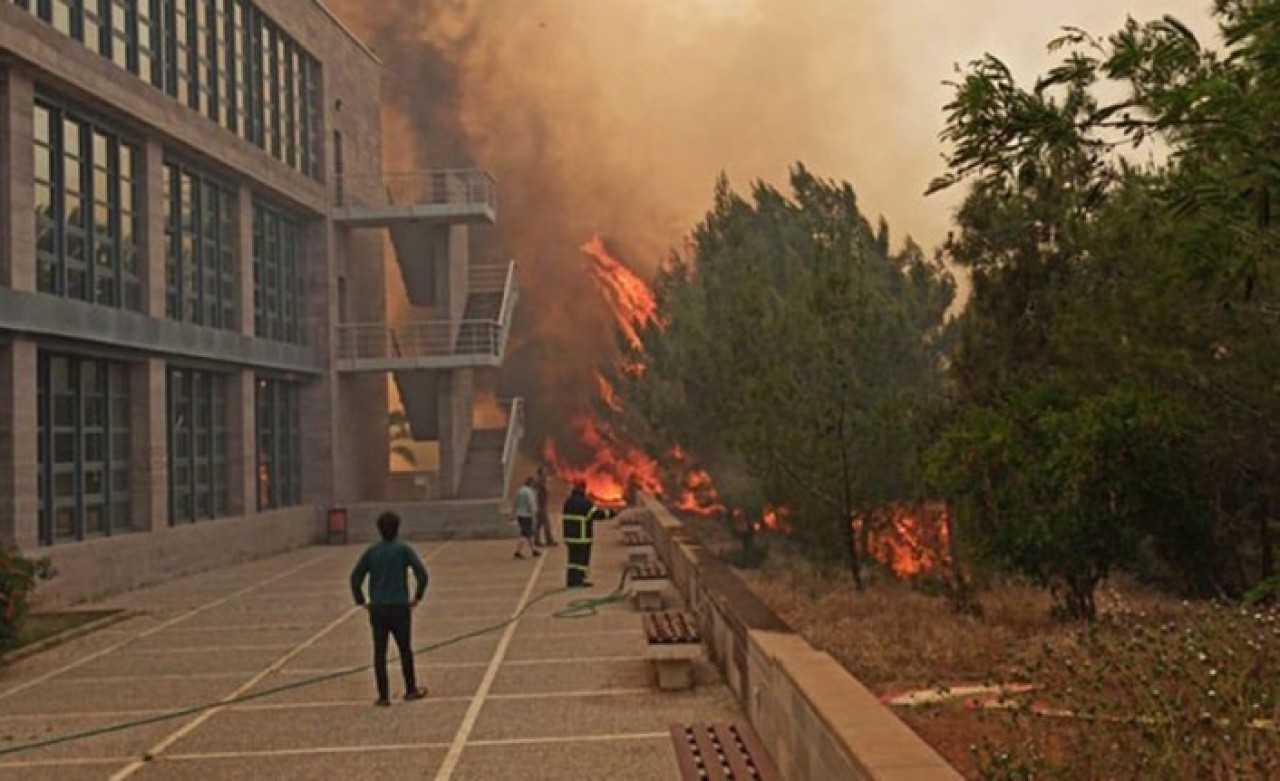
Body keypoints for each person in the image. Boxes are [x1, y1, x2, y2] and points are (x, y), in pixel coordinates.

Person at [349, 511, 429, 707]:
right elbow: (422, 574)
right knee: (405, 649)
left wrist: (362, 601)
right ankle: (410, 689)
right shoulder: (403, 550)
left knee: (379, 652)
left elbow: (355, 578)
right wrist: (417, 596)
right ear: (397, 528)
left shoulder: (372, 551)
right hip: (400, 607)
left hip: (378, 608)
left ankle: (383, 695)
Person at [561, 480, 613, 588]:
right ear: (583, 489)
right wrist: (611, 513)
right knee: (581, 561)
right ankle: (578, 580)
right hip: (582, 537)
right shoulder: (585, 503)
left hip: (570, 537)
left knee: (572, 560)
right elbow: (597, 514)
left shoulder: (568, 502)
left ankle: (571, 580)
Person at [512, 476, 541, 559]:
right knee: (524, 534)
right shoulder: (529, 492)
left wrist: (513, 513)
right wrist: (534, 515)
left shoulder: (520, 490)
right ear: (531, 483)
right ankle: (517, 552)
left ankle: (534, 550)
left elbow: (515, 502)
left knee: (528, 534)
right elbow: (530, 504)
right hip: (527, 515)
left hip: (520, 515)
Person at [533, 466, 557, 547]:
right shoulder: (539, 482)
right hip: (541, 506)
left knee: (538, 524)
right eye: (544, 472)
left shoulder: (540, 481)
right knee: (546, 524)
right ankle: (549, 540)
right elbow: (537, 492)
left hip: (541, 505)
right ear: (541, 473)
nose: (546, 473)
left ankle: (537, 540)